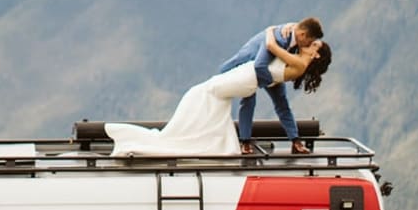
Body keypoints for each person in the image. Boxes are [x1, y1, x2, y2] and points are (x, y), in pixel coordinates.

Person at [105, 39, 331, 157]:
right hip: (246, 78)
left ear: (316, 54)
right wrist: (295, 139)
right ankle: (216, 141)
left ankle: (199, 140)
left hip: (247, 77)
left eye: (313, 44)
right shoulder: (293, 57)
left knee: (205, 94)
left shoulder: (298, 62)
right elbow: (280, 103)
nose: (308, 43)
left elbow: (268, 47)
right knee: (207, 96)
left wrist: (274, 34)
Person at [218, 18, 324, 154]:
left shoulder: (295, 36)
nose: (308, 45)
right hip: (249, 66)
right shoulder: (280, 39)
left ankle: (295, 141)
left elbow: (304, 31)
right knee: (249, 100)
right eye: (309, 42)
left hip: (271, 70)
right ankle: (245, 142)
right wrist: (271, 81)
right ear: (303, 35)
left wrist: (289, 25)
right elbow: (259, 66)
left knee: (282, 103)